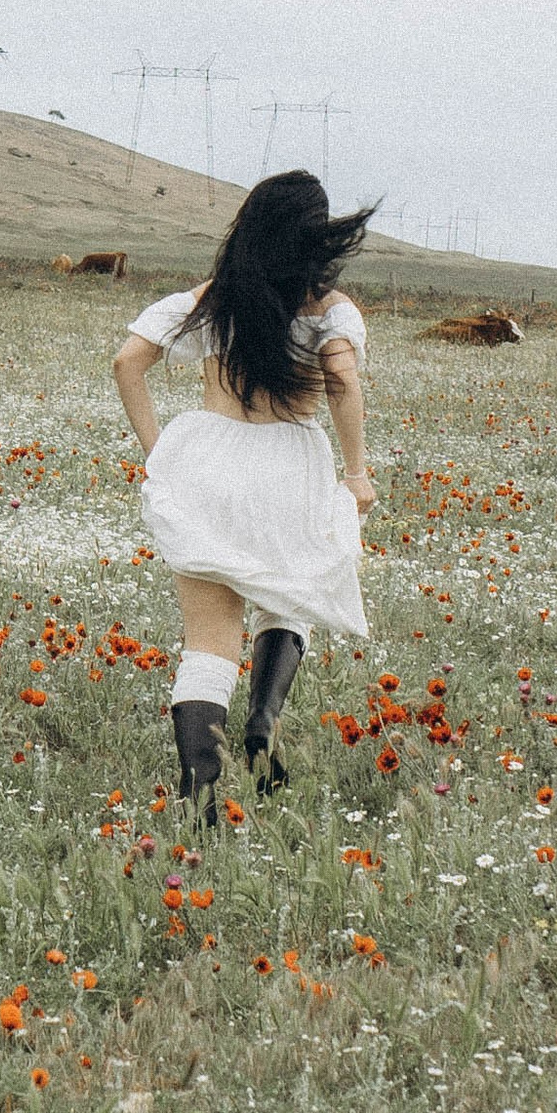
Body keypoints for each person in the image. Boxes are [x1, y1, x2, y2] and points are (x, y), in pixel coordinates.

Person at [111, 170, 376, 800]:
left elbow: (127, 363)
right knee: (288, 594)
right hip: (291, 464)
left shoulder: (210, 298)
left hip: (210, 459)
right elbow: (341, 381)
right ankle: (262, 719)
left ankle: (201, 793)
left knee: (207, 643)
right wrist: (357, 471)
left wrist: (160, 455)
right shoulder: (330, 308)